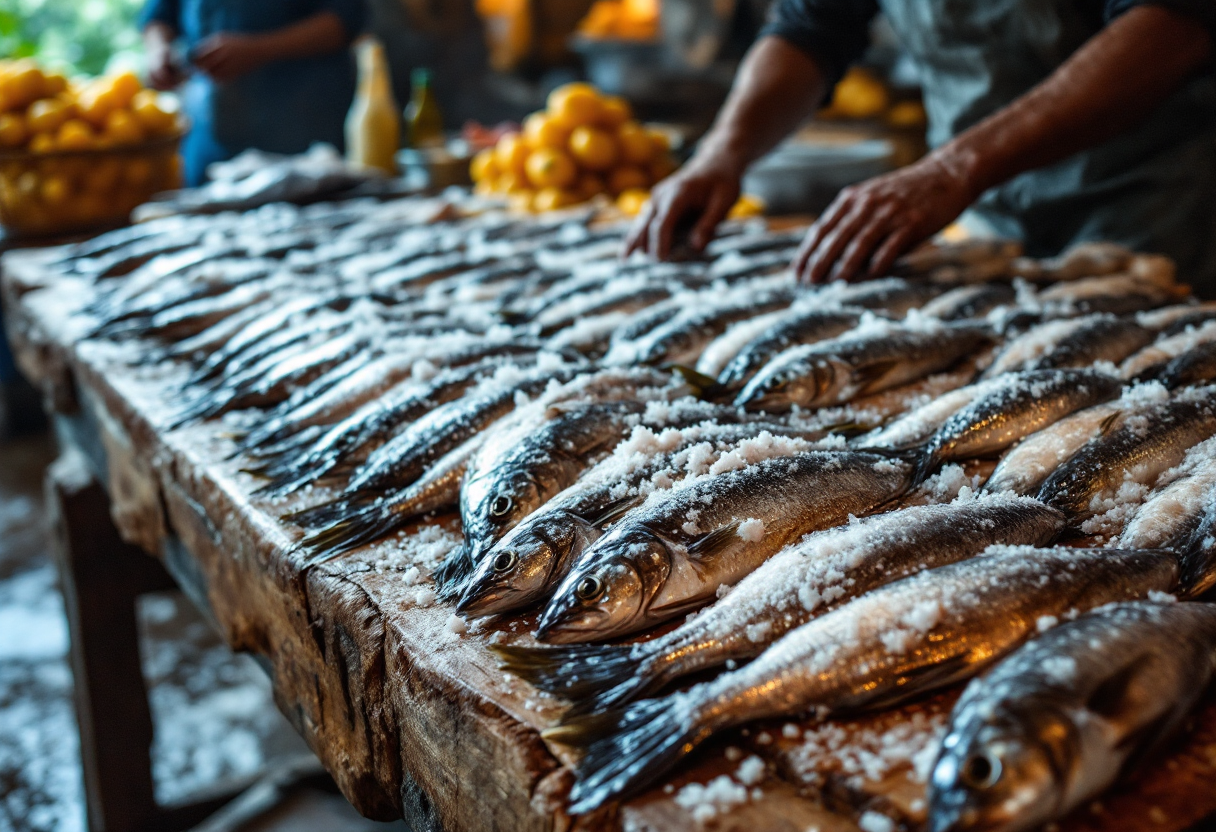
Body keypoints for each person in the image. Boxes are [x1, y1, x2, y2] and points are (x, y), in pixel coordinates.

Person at [626, 1, 1216, 295]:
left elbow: (1171, 27)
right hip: (984, 219)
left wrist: (953, 169)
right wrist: (720, 154)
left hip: (1160, 205)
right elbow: (811, 29)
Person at [141, 0, 368, 186]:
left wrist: (260, 49)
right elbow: (159, 14)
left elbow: (345, 20)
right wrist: (159, 50)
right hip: (208, 137)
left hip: (302, 137)